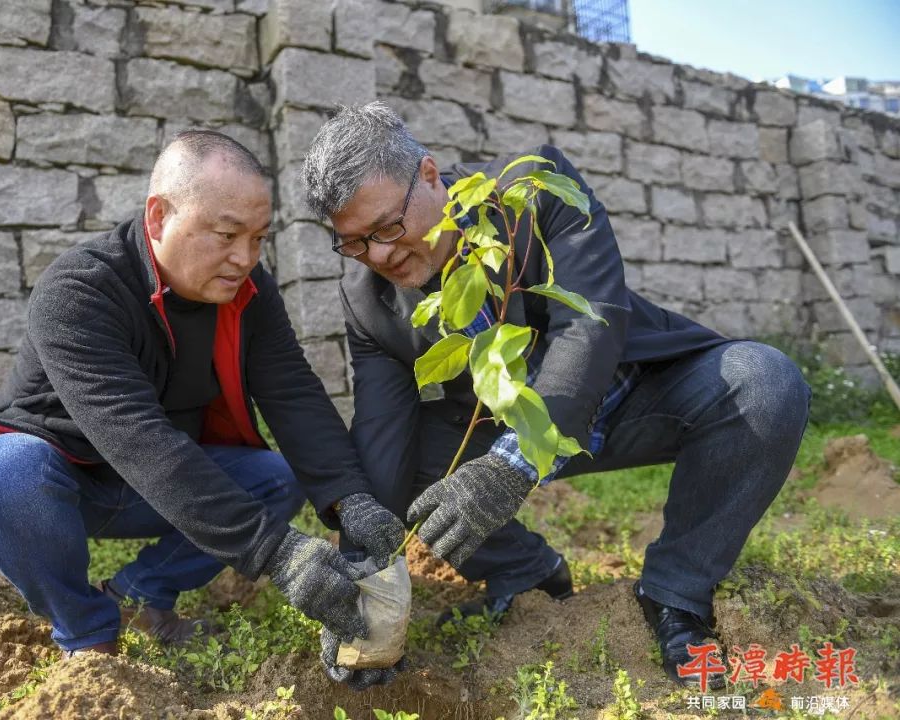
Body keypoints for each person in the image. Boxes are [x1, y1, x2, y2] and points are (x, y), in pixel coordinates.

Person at [301, 102, 811, 688]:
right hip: (498, 423)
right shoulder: (367, 298)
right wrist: (360, 575)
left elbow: (588, 328)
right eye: (355, 243)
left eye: (388, 228)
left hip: (631, 392)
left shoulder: (532, 189)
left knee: (763, 382)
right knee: (400, 458)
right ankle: (530, 572)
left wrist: (511, 467)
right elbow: (381, 431)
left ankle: (676, 592)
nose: (381, 256)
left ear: (429, 174)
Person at [0, 131, 406, 670]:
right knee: (6, 473)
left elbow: (292, 391)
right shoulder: (79, 291)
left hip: (160, 483)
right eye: (227, 234)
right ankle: (86, 634)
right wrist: (280, 555)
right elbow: (138, 438)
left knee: (276, 479)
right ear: (160, 217)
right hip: (65, 478)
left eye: (258, 238)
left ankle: (139, 596)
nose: (244, 258)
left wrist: (350, 499)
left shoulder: (248, 291)